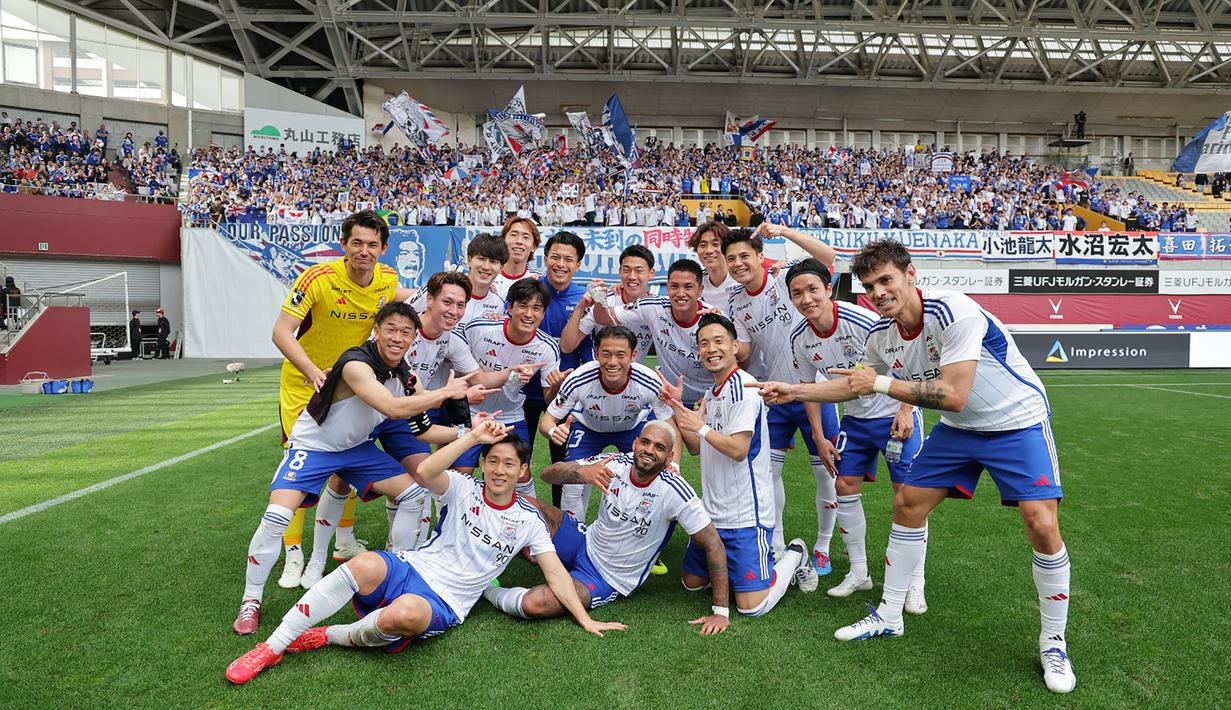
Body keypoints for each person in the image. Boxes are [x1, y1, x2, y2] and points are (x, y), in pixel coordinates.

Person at [747, 239, 1075, 694]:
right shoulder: (881, 336)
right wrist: (795, 391)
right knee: (906, 505)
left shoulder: (953, 311)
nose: (879, 292)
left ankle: (1053, 642)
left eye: (886, 280)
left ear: (910, 275)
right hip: (960, 429)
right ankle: (889, 613)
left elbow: (953, 393)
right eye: (869, 285)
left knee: (1041, 524)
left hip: (1015, 422)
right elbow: (855, 387)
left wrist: (882, 382)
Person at [225, 420, 626, 685]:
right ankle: (271, 648)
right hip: (413, 565)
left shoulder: (529, 520)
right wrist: (470, 438)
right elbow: (427, 473)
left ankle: (328, 636)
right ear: (484, 464)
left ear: (523, 471)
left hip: (445, 600)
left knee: (404, 615)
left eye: (509, 464)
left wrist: (585, 619)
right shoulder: (463, 487)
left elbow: (555, 573)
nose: (500, 470)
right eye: (493, 461)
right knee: (362, 563)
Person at [233, 302, 479, 634]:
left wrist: (473, 430)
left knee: (411, 493)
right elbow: (392, 408)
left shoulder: (407, 377)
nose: (397, 338)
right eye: (390, 329)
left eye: (406, 332)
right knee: (277, 516)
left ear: (413, 339)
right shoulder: (355, 363)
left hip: (356, 450)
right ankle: (251, 601)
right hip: (315, 447)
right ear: (376, 330)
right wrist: (443, 395)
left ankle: (399, 573)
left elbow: (422, 431)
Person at [270, 210, 414, 588]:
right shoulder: (317, 277)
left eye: (372, 244)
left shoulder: (387, 279)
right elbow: (281, 332)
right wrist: (312, 371)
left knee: (346, 458)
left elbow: (398, 299)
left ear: (383, 248)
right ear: (343, 245)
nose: (364, 251)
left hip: (352, 384)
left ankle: (344, 539)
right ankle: (293, 553)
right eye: (357, 243)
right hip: (306, 384)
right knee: (299, 470)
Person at [483, 421, 731, 635]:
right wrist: (580, 471)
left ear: (669, 457)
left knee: (536, 604)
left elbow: (712, 543)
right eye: (645, 442)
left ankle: (487, 590)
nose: (649, 450)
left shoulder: (675, 491)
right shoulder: (615, 463)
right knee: (520, 501)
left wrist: (720, 612)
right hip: (584, 541)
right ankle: (481, 549)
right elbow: (548, 474)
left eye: (659, 447)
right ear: (635, 443)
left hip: (608, 577)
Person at [782, 259, 926, 603]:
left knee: (907, 497)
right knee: (843, 485)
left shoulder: (863, 320)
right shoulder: (799, 337)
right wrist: (818, 436)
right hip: (855, 421)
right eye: (797, 293)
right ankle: (859, 572)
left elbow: (906, 358)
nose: (806, 299)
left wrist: (906, 409)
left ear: (829, 290)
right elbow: (808, 389)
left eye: (813, 289)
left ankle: (914, 580)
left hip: (895, 415)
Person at [662, 314, 818, 617]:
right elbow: (696, 448)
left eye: (718, 341)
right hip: (712, 515)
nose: (711, 349)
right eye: (704, 344)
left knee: (752, 608)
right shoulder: (712, 393)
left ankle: (794, 554)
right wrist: (678, 411)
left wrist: (701, 426)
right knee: (692, 584)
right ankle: (739, 571)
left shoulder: (744, 387)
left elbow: (737, 450)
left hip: (746, 515)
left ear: (735, 346)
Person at [723, 224, 840, 568]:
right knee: (767, 474)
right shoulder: (736, 302)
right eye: (732, 259)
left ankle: (823, 546)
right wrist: (722, 336)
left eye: (745, 255)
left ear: (760, 256)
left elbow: (828, 257)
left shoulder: (785, 276)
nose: (738, 263)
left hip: (816, 392)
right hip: (775, 396)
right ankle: (774, 547)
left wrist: (784, 232)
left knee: (826, 472)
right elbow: (744, 349)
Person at [539, 325, 678, 520]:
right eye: (606, 354)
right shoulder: (579, 378)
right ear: (596, 354)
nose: (613, 362)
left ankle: (632, 530)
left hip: (632, 429)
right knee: (572, 483)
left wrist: (676, 465)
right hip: (588, 429)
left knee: (644, 477)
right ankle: (573, 534)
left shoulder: (650, 380)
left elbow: (669, 425)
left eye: (621, 355)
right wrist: (553, 432)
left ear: (633, 355)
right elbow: (546, 421)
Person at [457, 278, 563, 482]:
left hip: (510, 415)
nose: (529, 314)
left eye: (536, 308)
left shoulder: (547, 348)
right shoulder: (477, 328)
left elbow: (549, 399)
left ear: (543, 313)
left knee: (521, 476)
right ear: (509, 307)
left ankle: (521, 514)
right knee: (461, 474)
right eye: (522, 306)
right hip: (470, 412)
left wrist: (556, 385)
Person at [591, 259, 713, 407]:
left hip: (708, 401)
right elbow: (603, 317)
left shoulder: (714, 318)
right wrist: (599, 296)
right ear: (667, 287)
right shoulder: (652, 306)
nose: (681, 293)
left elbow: (738, 359)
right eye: (674, 286)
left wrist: (715, 396)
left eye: (688, 287)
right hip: (669, 399)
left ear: (700, 290)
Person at [522, 232, 589, 498]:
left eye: (568, 259)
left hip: (563, 395)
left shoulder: (585, 299)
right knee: (515, 458)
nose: (560, 264)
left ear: (578, 264)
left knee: (562, 462)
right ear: (545, 258)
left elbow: (587, 351)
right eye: (555, 257)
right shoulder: (528, 291)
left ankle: (561, 521)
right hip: (522, 393)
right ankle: (516, 517)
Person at [560, 244, 657, 363]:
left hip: (634, 378)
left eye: (639, 271)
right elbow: (566, 347)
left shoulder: (656, 307)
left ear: (651, 273)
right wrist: (580, 308)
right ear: (619, 271)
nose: (632, 276)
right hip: (599, 375)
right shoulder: (603, 301)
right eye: (626, 270)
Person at [490, 217, 542, 299]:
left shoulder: (539, 280)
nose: (519, 241)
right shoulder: (488, 274)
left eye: (525, 237)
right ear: (503, 240)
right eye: (514, 235)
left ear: (534, 247)